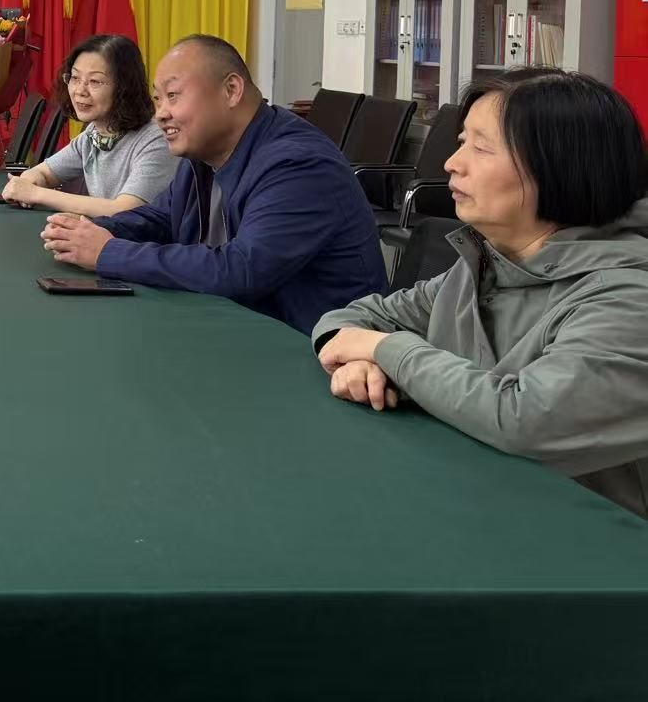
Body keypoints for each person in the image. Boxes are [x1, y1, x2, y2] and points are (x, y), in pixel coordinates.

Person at [312, 68, 648, 518]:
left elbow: (526, 420)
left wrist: (387, 352)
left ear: (561, 167)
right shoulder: (487, 262)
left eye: (482, 148)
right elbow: (356, 319)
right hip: (474, 506)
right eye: (461, 141)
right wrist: (362, 363)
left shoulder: (627, 296)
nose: (452, 163)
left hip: (589, 543)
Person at [42, 35, 384, 333]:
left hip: (318, 352)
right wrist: (87, 231)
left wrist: (108, 252)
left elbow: (242, 270)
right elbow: (161, 218)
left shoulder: (298, 164)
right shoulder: (204, 154)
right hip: (236, 327)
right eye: (158, 99)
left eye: (173, 95)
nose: (160, 113)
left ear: (231, 90)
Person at [0, 34, 176, 216]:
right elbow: (43, 173)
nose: (80, 91)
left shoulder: (157, 139)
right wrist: (27, 182)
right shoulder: (95, 133)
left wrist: (36, 194)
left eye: (95, 81)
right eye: (75, 78)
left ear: (124, 87)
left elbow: (126, 210)